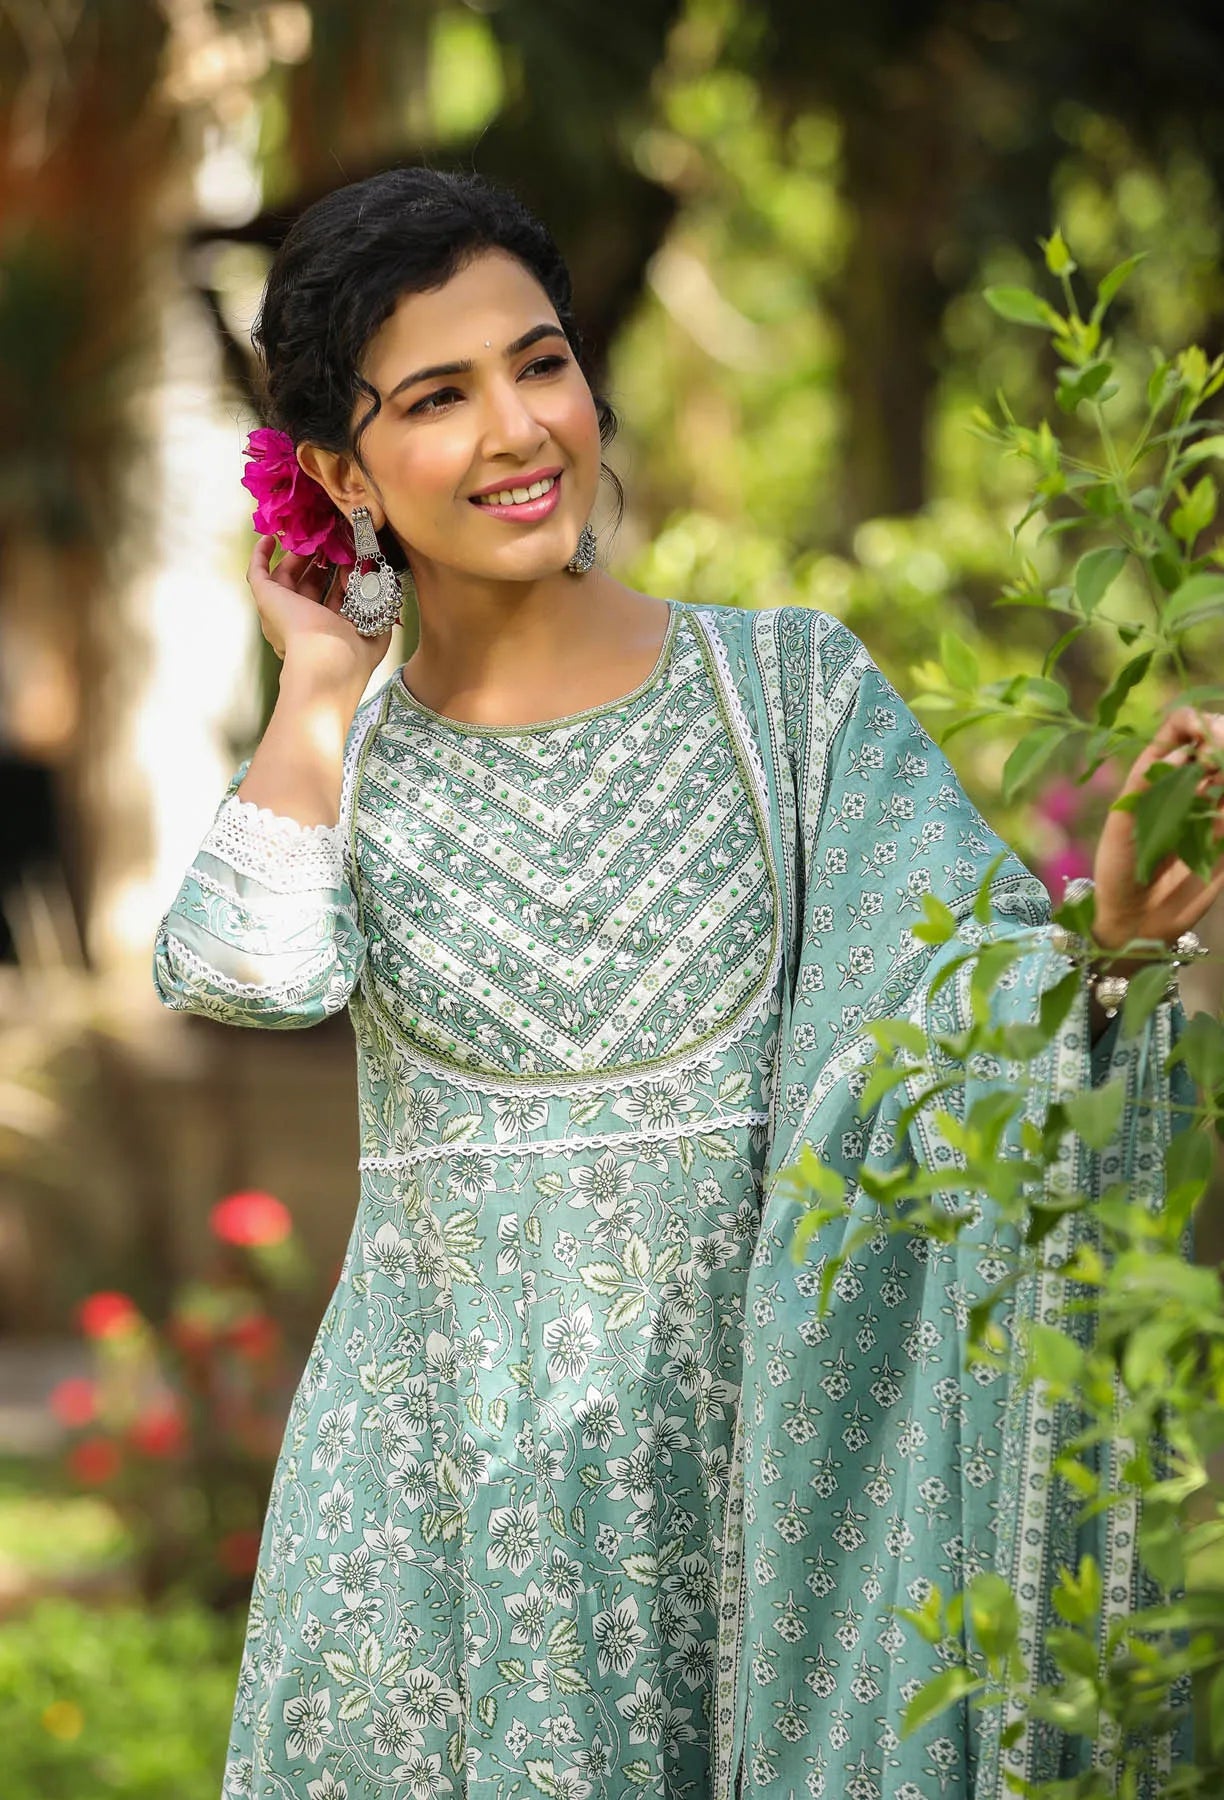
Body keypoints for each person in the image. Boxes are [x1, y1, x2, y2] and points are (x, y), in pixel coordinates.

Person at [153, 167, 1222, 1800]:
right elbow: (241, 973)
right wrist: (313, 690)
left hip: (769, 1487)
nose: (519, 431)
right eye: (439, 397)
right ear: (339, 474)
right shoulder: (347, 764)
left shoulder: (787, 695)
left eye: (541, 363)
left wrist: (1122, 940)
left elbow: (968, 1038)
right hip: (444, 1520)